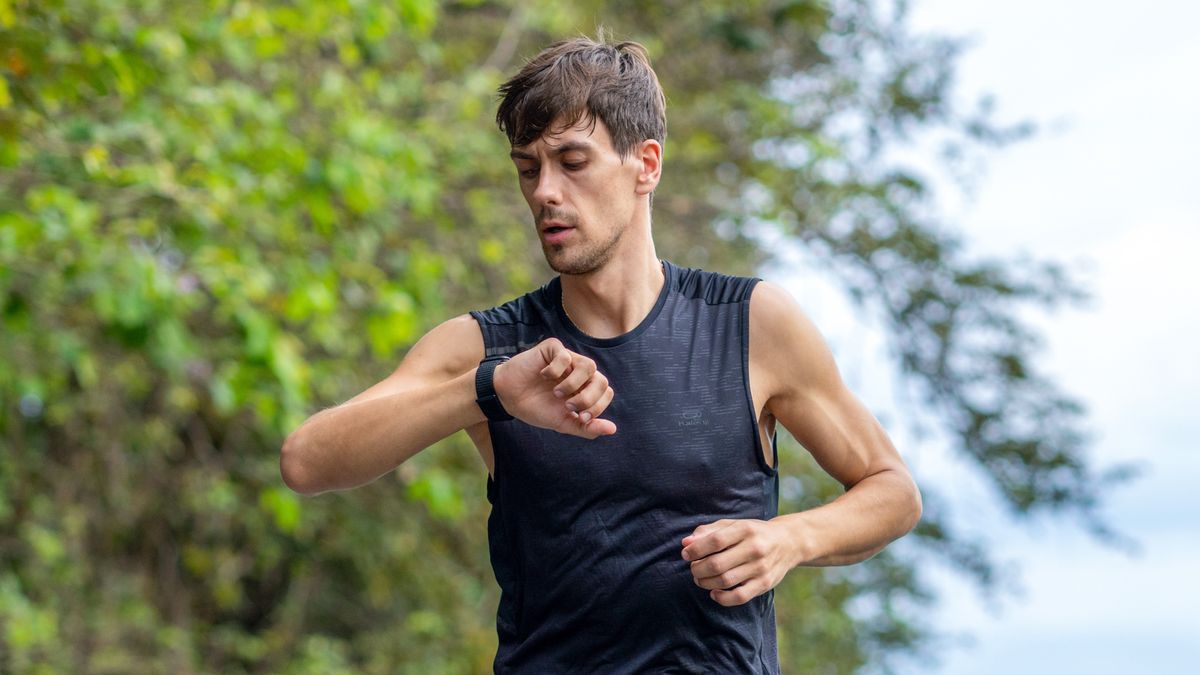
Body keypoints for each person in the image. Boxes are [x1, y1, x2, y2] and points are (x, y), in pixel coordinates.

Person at [280, 35, 921, 673]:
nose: (544, 193)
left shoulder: (752, 324)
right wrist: (486, 391)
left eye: (572, 161)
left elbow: (891, 491)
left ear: (646, 165)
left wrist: (789, 539)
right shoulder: (489, 348)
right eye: (528, 168)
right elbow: (308, 461)